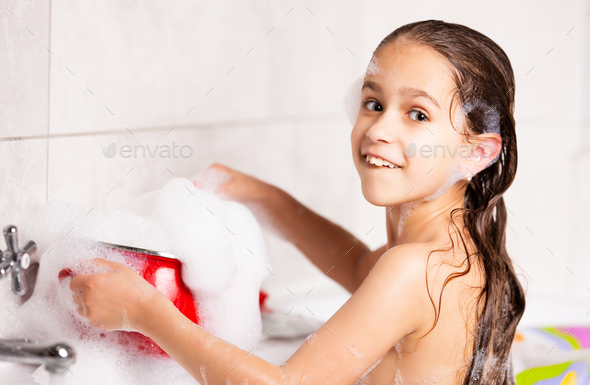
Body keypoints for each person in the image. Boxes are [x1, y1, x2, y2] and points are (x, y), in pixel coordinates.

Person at [70, 19, 526, 384]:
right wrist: (265, 197)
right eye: (373, 102)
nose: (380, 128)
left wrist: (146, 312)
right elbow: (356, 269)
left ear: (475, 153)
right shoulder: (452, 252)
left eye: (417, 114)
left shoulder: (416, 268)